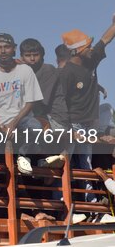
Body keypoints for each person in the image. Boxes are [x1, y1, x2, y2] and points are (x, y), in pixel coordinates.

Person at [59, 16, 115, 201]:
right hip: (72, 124)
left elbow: (105, 40)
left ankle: (90, 201)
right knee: (65, 161)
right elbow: (59, 104)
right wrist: (68, 131)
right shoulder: (66, 73)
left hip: (88, 124)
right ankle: (61, 201)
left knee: (86, 162)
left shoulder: (91, 60)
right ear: (76, 51)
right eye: (86, 47)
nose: (91, 49)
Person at [0, 33, 44, 175]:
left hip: (21, 118)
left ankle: (22, 156)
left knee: (36, 127)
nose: (3, 51)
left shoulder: (25, 70)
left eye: (7, 47)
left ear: (14, 49)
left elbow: (31, 101)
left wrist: (13, 123)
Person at [20, 38, 69, 162]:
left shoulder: (47, 70)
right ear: (21, 57)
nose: (32, 59)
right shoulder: (23, 72)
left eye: (35, 55)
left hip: (53, 118)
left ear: (42, 55)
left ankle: (29, 157)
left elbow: (39, 102)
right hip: (36, 116)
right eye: (27, 55)